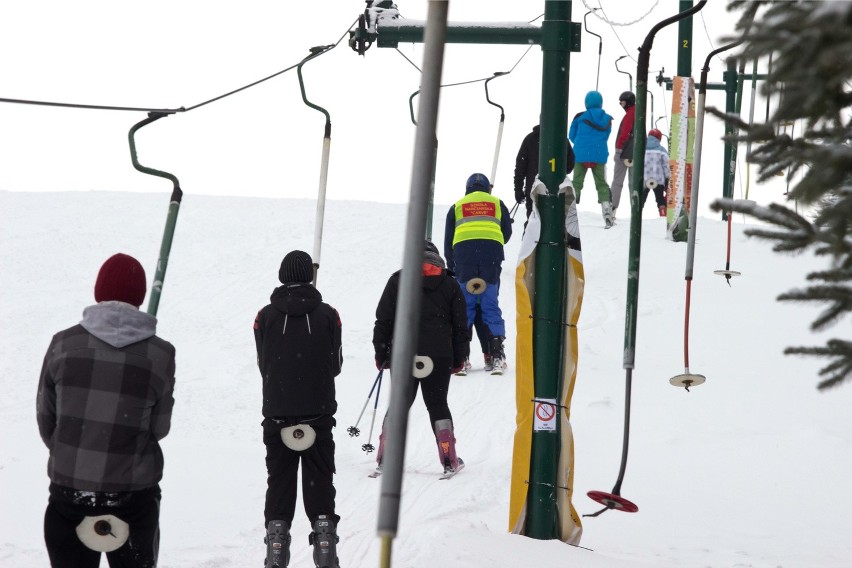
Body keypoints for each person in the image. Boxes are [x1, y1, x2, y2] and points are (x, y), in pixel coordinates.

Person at [37, 253, 176, 568]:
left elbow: (47, 421)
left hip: (68, 492)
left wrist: (79, 453)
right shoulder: (161, 354)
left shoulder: (62, 344)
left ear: (98, 291)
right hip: (133, 498)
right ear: (139, 297)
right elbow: (159, 428)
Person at [254, 250, 343, 568]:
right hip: (317, 414)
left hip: (277, 412)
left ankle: (276, 545)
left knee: (279, 479)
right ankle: (324, 542)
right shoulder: (329, 314)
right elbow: (335, 364)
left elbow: (263, 364)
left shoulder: (264, 316)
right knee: (319, 477)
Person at [372, 240, 470, 475]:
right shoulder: (450, 284)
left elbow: (383, 320)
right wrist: (459, 358)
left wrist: (382, 353)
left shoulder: (398, 281)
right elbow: (460, 327)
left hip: (403, 353)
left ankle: (386, 458)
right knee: (437, 405)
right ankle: (449, 459)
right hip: (438, 355)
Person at [443, 172, 513, 374]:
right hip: (491, 258)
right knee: (490, 304)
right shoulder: (497, 203)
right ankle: (497, 355)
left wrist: (452, 266)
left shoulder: (457, 206)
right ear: (487, 189)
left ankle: (462, 357)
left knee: (465, 307)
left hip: (464, 260)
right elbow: (506, 233)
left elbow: (449, 241)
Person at [569, 90, 615, 228]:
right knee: (601, 184)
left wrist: (581, 143)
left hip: (580, 154)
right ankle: (607, 212)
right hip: (599, 154)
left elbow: (571, 135)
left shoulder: (579, 117)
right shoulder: (607, 119)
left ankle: (569, 213)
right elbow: (606, 136)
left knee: (576, 183)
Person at [513, 124, 576, 219]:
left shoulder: (530, 139)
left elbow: (520, 167)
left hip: (533, 189)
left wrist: (518, 189)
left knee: (533, 223)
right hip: (557, 190)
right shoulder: (562, 139)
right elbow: (570, 163)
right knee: (555, 223)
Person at [611, 91, 636, 220]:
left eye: (622, 101)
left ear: (628, 102)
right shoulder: (639, 113)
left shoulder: (630, 114)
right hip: (635, 152)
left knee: (617, 181)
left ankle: (612, 208)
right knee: (633, 182)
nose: (621, 104)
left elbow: (624, 132)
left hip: (624, 152)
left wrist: (618, 149)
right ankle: (635, 209)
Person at [643, 128, 670, 217]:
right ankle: (662, 213)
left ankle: (637, 214)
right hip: (658, 179)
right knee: (660, 198)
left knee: (642, 197)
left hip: (645, 178)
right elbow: (666, 165)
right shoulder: (662, 150)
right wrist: (667, 178)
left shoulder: (641, 148)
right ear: (659, 138)